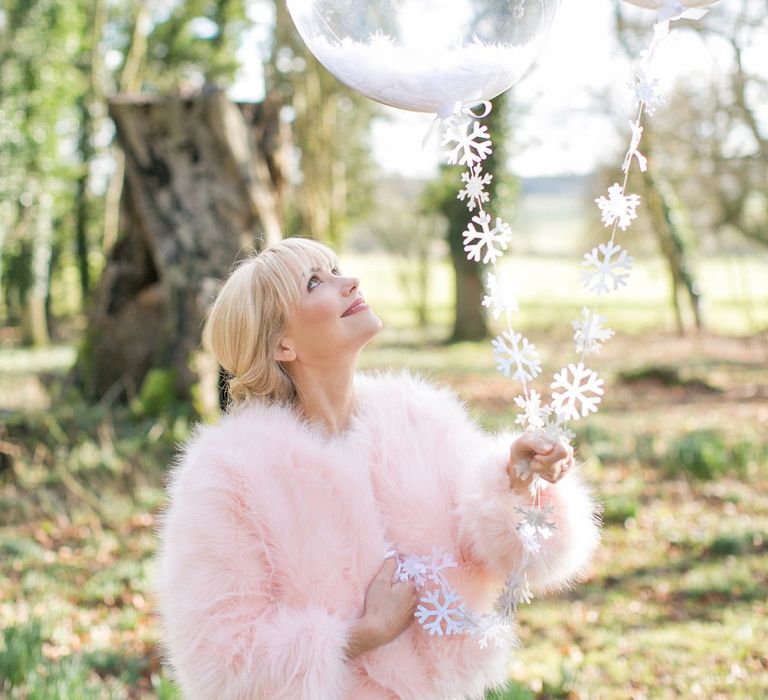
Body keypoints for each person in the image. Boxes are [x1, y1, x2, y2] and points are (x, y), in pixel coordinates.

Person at [154, 237, 600, 700]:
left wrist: (518, 483)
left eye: (336, 269)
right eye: (315, 282)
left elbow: (514, 557)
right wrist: (362, 634)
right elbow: (218, 659)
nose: (349, 283)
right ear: (281, 343)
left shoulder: (419, 419)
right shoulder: (230, 472)